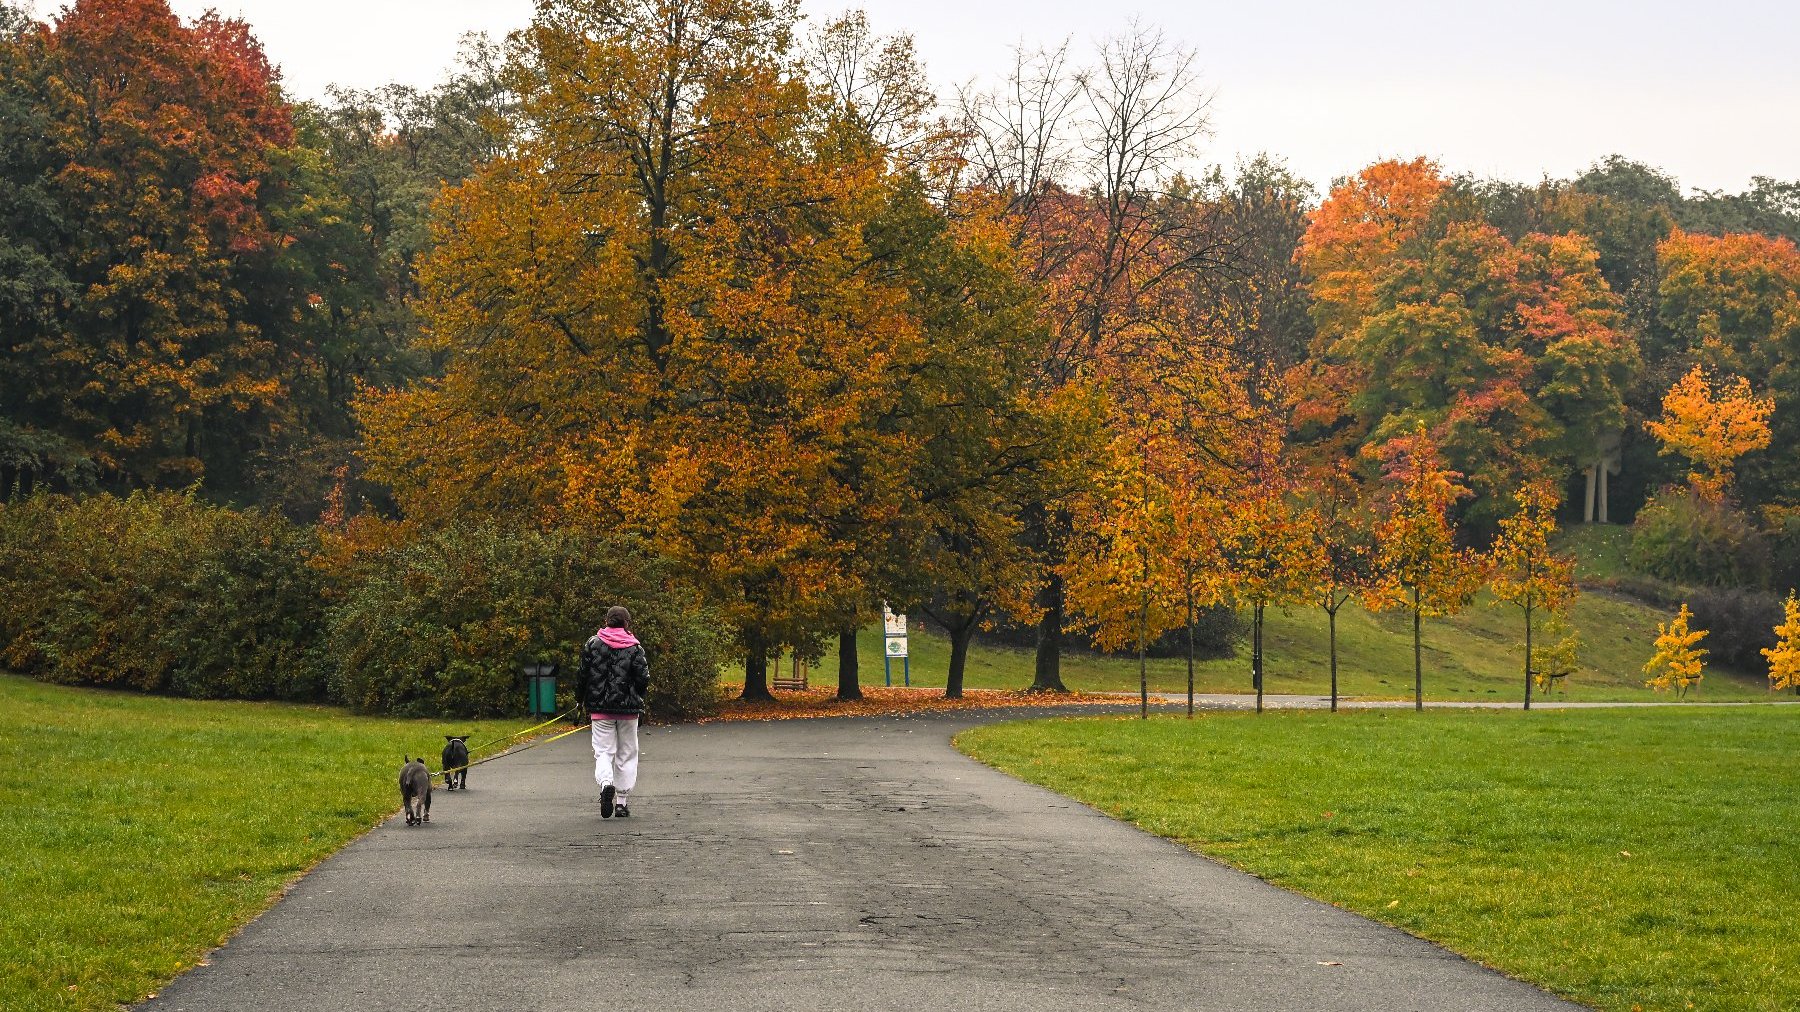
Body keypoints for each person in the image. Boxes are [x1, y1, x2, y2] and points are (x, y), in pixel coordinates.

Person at [577, 605, 650, 819]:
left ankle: (606, 783)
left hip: (600, 709)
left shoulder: (593, 644)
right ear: (627, 623)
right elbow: (643, 677)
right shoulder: (635, 648)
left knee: (603, 752)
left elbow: (582, 675)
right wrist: (638, 696)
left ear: (606, 620)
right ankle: (621, 801)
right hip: (628, 709)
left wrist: (579, 700)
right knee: (627, 753)